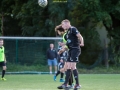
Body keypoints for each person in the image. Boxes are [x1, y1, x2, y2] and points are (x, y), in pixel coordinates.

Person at [58, 19, 84, 89]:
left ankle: (77, 84)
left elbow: (80, 36)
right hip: (70, 50)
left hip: (75, 49)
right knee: (68, 67)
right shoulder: (68, 32)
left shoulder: (73, 29)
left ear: (67, 24)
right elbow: (69, 42)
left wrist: (82, 42)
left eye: (63, 25)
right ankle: (66, 84)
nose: (62, 26)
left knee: (73, 67)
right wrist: (63, 45)